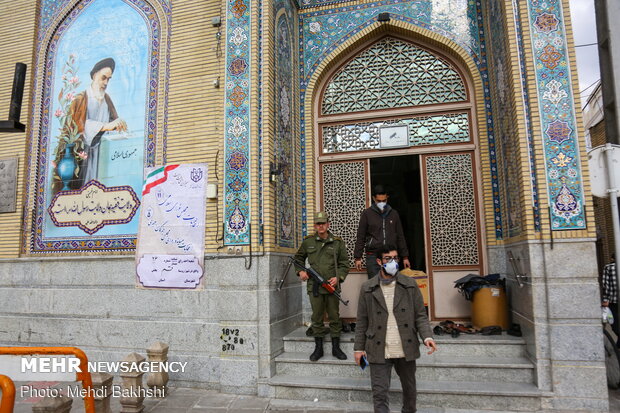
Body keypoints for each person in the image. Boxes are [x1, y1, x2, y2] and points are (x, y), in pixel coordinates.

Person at [354, 245, 437, 413]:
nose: (393, 262)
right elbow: (362, 320)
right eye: (388, 259)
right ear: (379, 262)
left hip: (405, 345)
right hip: (378, 347)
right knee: (379, 393)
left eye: (395, 258)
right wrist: (358, 348)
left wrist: (427, 337)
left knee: (409, 391)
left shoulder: (410, 285)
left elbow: (420, 315)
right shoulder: (368, 288)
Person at [294, 211, 349, 361]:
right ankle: (318, 348)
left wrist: (338, 278)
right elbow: (298, 258)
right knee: (317, 317)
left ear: (328, 224)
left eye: (323, 223)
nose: (321, 226)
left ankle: (336, 348)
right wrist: (300, 272)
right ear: (315, 226)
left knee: (334, 317)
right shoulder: (308, 242)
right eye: (318, 224)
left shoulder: (337, 242)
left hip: (332, 287)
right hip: (315, 287)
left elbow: (345, 264)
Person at [66, 57, 127, 188]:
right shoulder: (80, 99)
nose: (105, 83)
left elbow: (112, 122)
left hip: (102, 151)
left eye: (108, 79)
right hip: (84, 152)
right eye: (103, 78)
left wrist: (118, 124)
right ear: (94, 75)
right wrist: (105, 126)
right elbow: (78, 125)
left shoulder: (107, 99)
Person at [354, 185, 410, 279]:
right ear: (374, 199)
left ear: (387, 198)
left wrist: (405, 257)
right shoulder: (367, 214)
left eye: (384, 201)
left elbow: (400, 236)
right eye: (379, 201)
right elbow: (361, 236)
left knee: (391, 283)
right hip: (373, 256)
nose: (382, 203)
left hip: (390, 255)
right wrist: (358, 257)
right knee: (374, 284)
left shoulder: (394, 214)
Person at [602, 256, 620, 346]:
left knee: (613, 322)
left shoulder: (608, 268)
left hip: (613, 301)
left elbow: (606, 285)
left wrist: (605, 300)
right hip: (613, 301)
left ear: (612, 258)